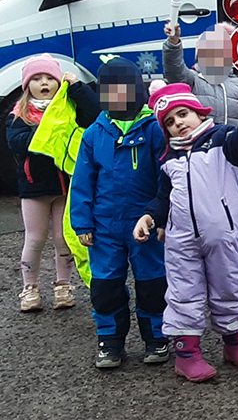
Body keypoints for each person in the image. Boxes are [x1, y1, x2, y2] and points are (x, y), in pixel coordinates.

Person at [135, 82, 238, 382]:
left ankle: (236, 343)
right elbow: (163, 197)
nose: (178, 123)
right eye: (169, 121)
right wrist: (149, 217)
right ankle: (186, 354)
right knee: (183, 294)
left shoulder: (223, 140)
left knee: (229, 287)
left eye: (182, 114)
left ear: (198, 111)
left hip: (223, 236)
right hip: (180, 242)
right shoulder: (169, 158)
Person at [70, 58, 169, 369]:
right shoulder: (94, 134)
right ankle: (110, 342)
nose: (117, 96)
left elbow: (165, 178)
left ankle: (157, 337)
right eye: (110, 90)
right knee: (106, 285)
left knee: (153, 282)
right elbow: (82, 182)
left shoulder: (153, 128)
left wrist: (163, 217)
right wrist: (82, 222)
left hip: (146, 222)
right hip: (105, 225)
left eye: (124, 89)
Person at [162, 22, 238, 278]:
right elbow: (173, 69)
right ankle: (199, 250)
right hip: (201, 153)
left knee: (235, 205)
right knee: (199, 203)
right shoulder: (192, 80)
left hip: (232, 152)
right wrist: (173, 44)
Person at [8, 55, 98, 312]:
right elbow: (18, 143)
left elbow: (94, 114)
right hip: (33, 188)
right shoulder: (19, 114)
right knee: (34, 239)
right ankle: (30, 288)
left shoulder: (69, 107)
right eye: (37, 79)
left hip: (64, 186)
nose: (44, 82)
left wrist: (78, 88)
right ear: (27, 85)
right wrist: (52, 126)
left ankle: (63, 286)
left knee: (63, 239)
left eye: (49, 78)